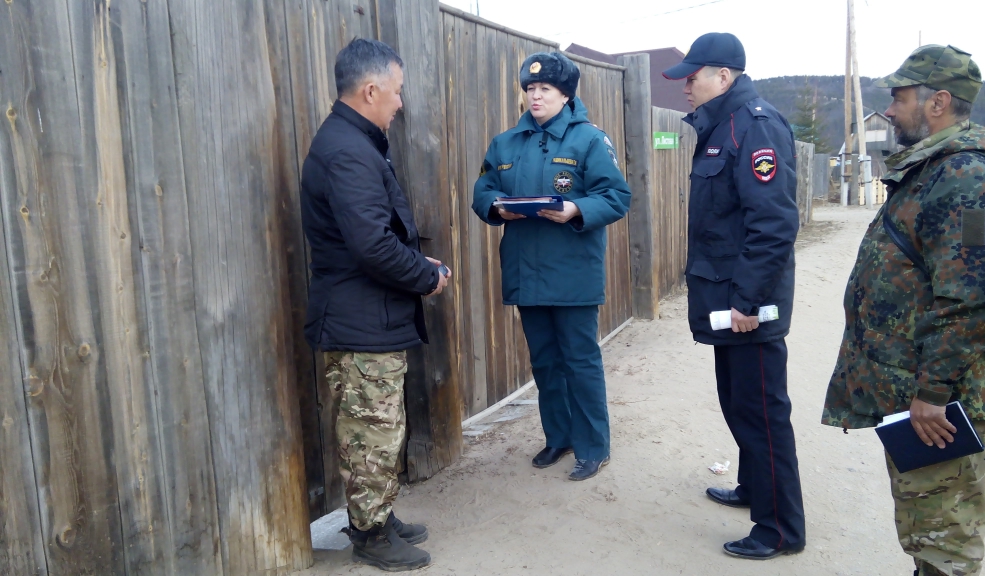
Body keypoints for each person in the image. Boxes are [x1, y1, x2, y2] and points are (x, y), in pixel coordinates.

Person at [822, 45, 985, 576]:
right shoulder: (935, 169)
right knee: (927, 534)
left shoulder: (965, 178)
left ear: (938, 102)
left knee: (943, 547)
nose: (889, 109)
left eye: (898, 96)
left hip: (938, 403)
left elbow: (976, 296)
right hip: (918, 390)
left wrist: (933, 393)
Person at [300, 38, 451, 572]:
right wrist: (425, 279)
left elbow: (373, 236)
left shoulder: (354, 141)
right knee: (370, 434)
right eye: (396, 91)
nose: (400, 102)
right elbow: (372, 245)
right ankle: (369, 535)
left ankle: (378, 518)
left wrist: (417, 271)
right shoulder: (347, 149)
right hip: (359, 320)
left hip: (368, 314)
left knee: (379, 430)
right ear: (370, 90)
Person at [662, 32, 805, 560]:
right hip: (727, 303)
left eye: (693, 77)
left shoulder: (755, 126)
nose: (686, 87)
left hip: (748, 307)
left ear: (723, 77)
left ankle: (779, 530)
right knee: (738, 404)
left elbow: (773, 224)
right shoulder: (723, 125)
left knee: (762, 414)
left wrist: (746, 301)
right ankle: (752, 488)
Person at [472, 52, 630, 481]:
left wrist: (576, 207)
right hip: (526, 272)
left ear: (565, 95)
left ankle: (593, 446)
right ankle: (559, 437)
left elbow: (616, 196)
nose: (535, 96)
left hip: (573, 272)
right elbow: (483, 189)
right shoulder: (506, 143)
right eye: (530, 89)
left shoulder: (589, 141)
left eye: (544, 89)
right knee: (544, 361)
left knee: (579, 360)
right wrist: (495, 208)